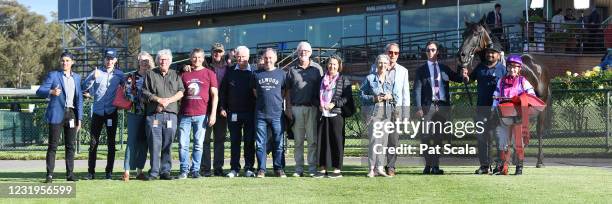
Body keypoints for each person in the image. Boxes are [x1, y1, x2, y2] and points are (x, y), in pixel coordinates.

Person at [414, 41, 463, 175]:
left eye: (433, 50)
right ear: (426, 52)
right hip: (427, 107)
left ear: (438, 52)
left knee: (438, 138)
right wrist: (418, 107)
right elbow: (417, 90)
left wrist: (463, 71)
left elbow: (458, 79)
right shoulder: (421, 70)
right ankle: (428, 164)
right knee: (424, 137)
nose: (431, 52)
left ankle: (435, 166)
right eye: (428, 50)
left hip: (442, 107)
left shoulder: (444, 68)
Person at [37, 52, 83, 183]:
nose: (65, 63)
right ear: (60, 61)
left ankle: (70, 174)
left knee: (70, 146)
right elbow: (39, 91)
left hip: (71, 114)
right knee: (53, 146)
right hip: (56, 114)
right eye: (63, 60)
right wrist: (51, 91)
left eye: (68, 60)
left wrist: (79, 118)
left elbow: (79, 99)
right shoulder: (53, 75)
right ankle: (49, 175)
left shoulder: (77, 78)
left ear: (72, 62)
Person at [462, 47, 507, 175]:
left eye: (493, 53)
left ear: (498, 55)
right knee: (482, 138)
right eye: (488, 52)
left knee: (498, 138)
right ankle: (484, 166)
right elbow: (469, 80)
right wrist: (465, 77)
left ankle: (499, 166)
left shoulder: (503, 70)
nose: (490, 55)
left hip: (497, 110)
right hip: (481, 109)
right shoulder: (480, 67)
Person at [142, 49, 185, 180]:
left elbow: (181, 91)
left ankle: (165, 171)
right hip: (154, 115)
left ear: (170, 61)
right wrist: (159, 100)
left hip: (170, 114)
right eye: (161, 59)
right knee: (154, 144)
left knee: (168, 143)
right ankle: (154, 172)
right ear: (157, 61)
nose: (163, 61)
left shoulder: (175, 74)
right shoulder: (150, 74)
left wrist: (168, 101)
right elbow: (144, 92)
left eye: (166, 60)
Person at [82, 49, 125, 180]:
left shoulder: (120, 75)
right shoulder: (96, 72)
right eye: (107, 58)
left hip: (112, 113)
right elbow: (84, 87)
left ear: (115, 60)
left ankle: (109, 172)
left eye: (112, 59)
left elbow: (127, 88)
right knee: (93, 143)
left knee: (111, 144)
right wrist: (91, 78)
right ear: (104, 60)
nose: (109, 61)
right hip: (97, 113)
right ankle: (91, 172)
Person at [492, 54, 536, 175]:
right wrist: (493, 107)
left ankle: (519, 167)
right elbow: (495, 99)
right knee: (502, 142)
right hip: (503, 116)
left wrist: (521, 99)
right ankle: (503, 166)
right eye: (510, 67)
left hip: (518, 116)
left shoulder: (523, 81)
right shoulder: (501, 81)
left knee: (518, 143)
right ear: (507, 68)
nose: (512, 69)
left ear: (519, 69)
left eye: (515, 67)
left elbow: (532, 95)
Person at [177, 48, 218, 179]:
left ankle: (195, 170)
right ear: (190, 58)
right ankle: (184, 170)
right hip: (185, 114)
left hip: (202, 114)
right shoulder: (184, 74)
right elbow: (178, 93)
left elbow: (214, 95)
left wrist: (213, 114)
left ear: (203, 58)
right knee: (183, 144)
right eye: (194, 57)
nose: (197, 60)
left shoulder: (209, 73)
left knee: (198, 144)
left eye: (200, 57)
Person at [285, 41, 323, 177]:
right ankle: (298, 169)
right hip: (296, 109)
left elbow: (322, 89)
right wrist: (288, 108)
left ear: (310, 53)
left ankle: (312, 169)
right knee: (298, 141)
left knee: (313, 141)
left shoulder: (317, 68)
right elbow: (287, 91)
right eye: (301, 51)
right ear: (297, 53)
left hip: (312, 109)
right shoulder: (291, 69)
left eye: (306, 51)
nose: (303, 53)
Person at [313, 55, 352, 179]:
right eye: (330, 63)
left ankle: (337, 170)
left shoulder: (343, 79)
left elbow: (347, 98)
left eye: (335, 64)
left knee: (337, 142)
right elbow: (313, 97)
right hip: (323, 115)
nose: (332, 66)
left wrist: (334, 103)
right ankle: (322, 169)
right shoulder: (320, 80)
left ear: (339, 66)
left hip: (336, 115)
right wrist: (318, 104)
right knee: (322, 142)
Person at [252, 48, 288, 178]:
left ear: (275, 58)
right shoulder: (256, 74)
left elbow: (284, 92)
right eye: (266, 58)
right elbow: (255, 92)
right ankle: (261, 169)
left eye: (271, 57)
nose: (268, 60)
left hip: (277, 114)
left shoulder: (282, 74)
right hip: (261, 115)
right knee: (260, 144)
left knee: (278, 143)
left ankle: (278, 169)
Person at [221, 46, 256, 178]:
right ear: (235, 57)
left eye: (243, 57)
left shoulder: (254, 71)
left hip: (250, 113)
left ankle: (249, 167)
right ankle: (234, 168)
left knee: (249, 141)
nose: (241, 59)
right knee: (235, 142)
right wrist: (223, 108)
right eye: (238, 57)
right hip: (233, 113)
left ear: (248, 57)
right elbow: (223, 91)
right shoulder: (230, 71)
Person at [122, 52, 155, 181]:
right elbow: (127, 93)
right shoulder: (131, 77)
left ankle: (140, 171)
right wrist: (143, 98)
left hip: (150, 114)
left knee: (144, 143)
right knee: (132, 142)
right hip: (135, 113)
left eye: (147, 60)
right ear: (138, 62)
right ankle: (126, 171)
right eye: (142, 60)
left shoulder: (153, 76)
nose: (144, 63)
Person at [381, 43, 410, 177]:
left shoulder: (403, 71)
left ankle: (391, 166)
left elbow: (405, 94)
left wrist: (406, 114)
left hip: (395, 109)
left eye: (396, 53)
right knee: (379, 138)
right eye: (390, 52)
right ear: (386, 53)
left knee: (393, 140)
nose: (392, 55)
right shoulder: (377, 67)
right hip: (380, 109)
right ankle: (378, 165)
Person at [360, 54, 392, 178]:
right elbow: (361, 96)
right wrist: (374, 98)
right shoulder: (370, 78)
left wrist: (391, 97)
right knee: (374, 141)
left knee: (383, 142)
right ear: (376, 64)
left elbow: (396, 96)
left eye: (385, 63)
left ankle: (380, 168)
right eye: (380, 63)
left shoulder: (390, 80)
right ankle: (371, 169)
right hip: (374, 114)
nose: (382, 65)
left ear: (388, 66)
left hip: (386, 114)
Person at [201, 43, 229, 177]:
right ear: (211, 53)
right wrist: (185, 66)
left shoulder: (228, 68)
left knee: (220, 140)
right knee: (205, 140)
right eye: (215, 51)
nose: (217, 54)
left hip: (221, 109)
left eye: (219, 51)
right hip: (206, 108)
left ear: (223, 53)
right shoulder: (205, 66)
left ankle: (218, 168)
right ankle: (205, 168)